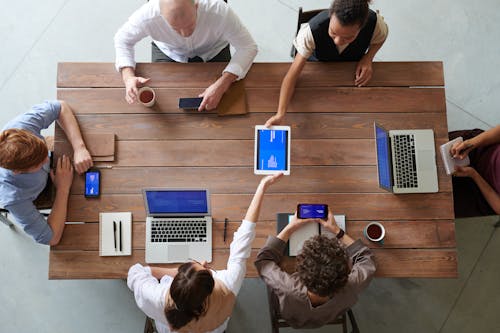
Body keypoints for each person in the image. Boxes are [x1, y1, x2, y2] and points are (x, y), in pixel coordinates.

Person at [127, 173, 283, 333]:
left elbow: (134, 273)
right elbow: (243, 239)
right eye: (204, 268)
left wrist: (174, 272)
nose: (204, 262)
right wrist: (262, 186)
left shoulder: (156, 297)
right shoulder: (227, 286)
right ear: (210, 287)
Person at [114, 0, 258, 111]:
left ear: (196, 7)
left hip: (214, 50)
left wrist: (223, 82)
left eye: (190, 26)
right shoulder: (147, 15)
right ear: (161, 15)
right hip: (169, 52)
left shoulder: (219, 11)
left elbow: (248, 47)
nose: (185, 34)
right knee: (164, 102)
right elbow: (122, 40)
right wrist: (128, 76)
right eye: (175, 29)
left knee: (228, 101)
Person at [265, 0, 388, 127]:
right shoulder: (310, 33)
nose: (338, 41)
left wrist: (368, 58)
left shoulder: (375, 23)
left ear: (362, 27)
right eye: (333, 32)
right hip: (318, 65)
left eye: (348, 37)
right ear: (330, 15)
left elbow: (382, 37)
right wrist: (280, 114)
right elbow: (291, 76)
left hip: (349, 71)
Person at [255, 212, 376, 328]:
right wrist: (338, 231)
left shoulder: (285, 286)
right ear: (345, 270)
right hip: (329, 316)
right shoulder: (352, 286)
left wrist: (290, 228)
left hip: (293, 319)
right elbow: (366, 259)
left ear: (299, 271)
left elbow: (263, 260)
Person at [0, 101, 93, 245]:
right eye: (39, 163)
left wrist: (79, 148)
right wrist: (62, 189)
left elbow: (60, 106)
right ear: (17, 172)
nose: (46, 159)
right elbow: (50, 238)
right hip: (39, 193)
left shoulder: (19, 128)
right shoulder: (13, 198)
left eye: (44, 153)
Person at [449, 125, 500, 217]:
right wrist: (470, 144)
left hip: (482, 193)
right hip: (481, 148)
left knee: (441, 204)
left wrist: (474, 175)